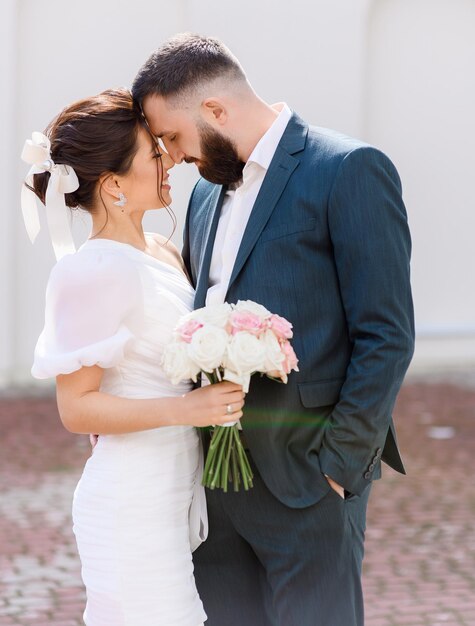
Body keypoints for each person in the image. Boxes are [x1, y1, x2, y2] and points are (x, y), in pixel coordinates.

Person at [132, 33, 415, 626]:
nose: (174, 157)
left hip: (310, 482)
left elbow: (386, 334)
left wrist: (339, 467)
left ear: (214, 111)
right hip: (216, 489)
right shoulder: (207, 194)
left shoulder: (349, 170)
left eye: (174, 138)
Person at [24, 88, 245, 626]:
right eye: (154, 153)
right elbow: (77, 409)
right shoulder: (91, 271)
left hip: (174, 492)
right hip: (131, 507)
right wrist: (187, 411)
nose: (169, 159)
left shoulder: (163, 252)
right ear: (114, 184)